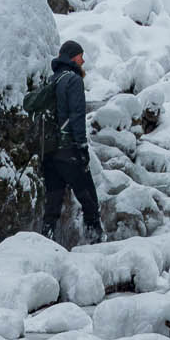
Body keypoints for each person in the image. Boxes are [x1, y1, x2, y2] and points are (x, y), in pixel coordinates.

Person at [24, 40, 102, 243]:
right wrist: (82, 147)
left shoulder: (52, 80)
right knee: (89, 200)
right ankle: (95, 243)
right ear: (72, 56)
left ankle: (45, 243)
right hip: (68, 151)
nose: (83, 60)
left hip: (48, 152)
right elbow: (77, 115)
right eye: (80, 55)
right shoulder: (74, 80)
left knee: (52, 206)